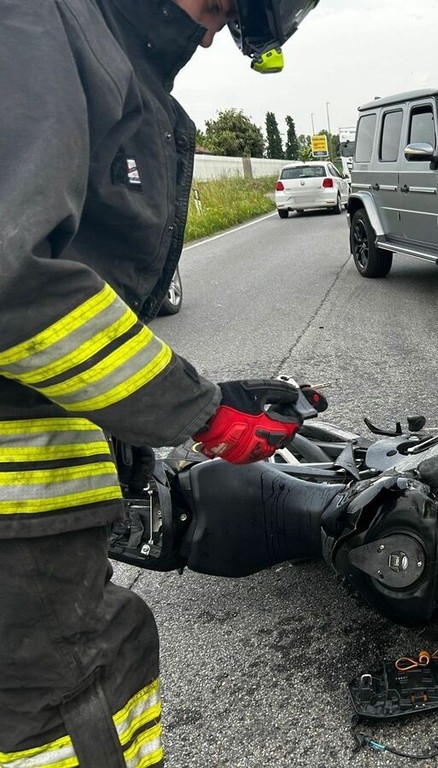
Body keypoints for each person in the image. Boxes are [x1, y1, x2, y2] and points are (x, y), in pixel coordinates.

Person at [0, 1, 322, 765]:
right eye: (217, 10)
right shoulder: (35, 27)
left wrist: (192, 406)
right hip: (18, 528)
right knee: (61, 719)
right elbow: (14, 284)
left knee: (101, 678)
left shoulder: (92, 46)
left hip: (41, 521)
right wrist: (202, 413)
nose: (211, 36)